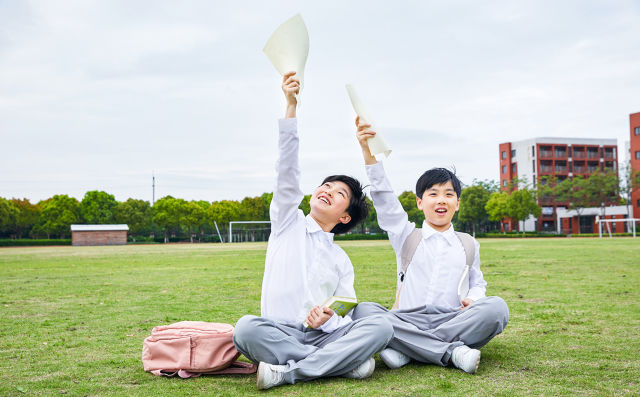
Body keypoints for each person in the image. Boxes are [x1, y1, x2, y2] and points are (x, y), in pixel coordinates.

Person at [232, 72, 393, 390]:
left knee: (381, 327)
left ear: (345, 217)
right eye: (327, 185)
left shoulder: (340, 258)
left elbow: (345, 304)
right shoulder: (286, 223)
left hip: (326, 335)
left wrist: (328, 318)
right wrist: (290, 106)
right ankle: (339, 364)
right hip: (280, 332)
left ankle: (291, 372)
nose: (329, 191)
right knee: (245, 329)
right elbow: (287, 171)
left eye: (340, 194)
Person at [351, 118, 509, 374]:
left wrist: (473, 298)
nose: (441, 200)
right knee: (363, 311)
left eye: (448, 194)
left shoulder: (468, 243)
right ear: (419, 202)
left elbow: (477, 282)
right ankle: (450, 352)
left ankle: (406, 349)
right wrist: (367, 153)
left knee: (497, 308)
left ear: (457, 203)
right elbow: (384, 199)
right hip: (406, 319)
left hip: (451, 319)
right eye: (433, 194)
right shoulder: (406, 235)